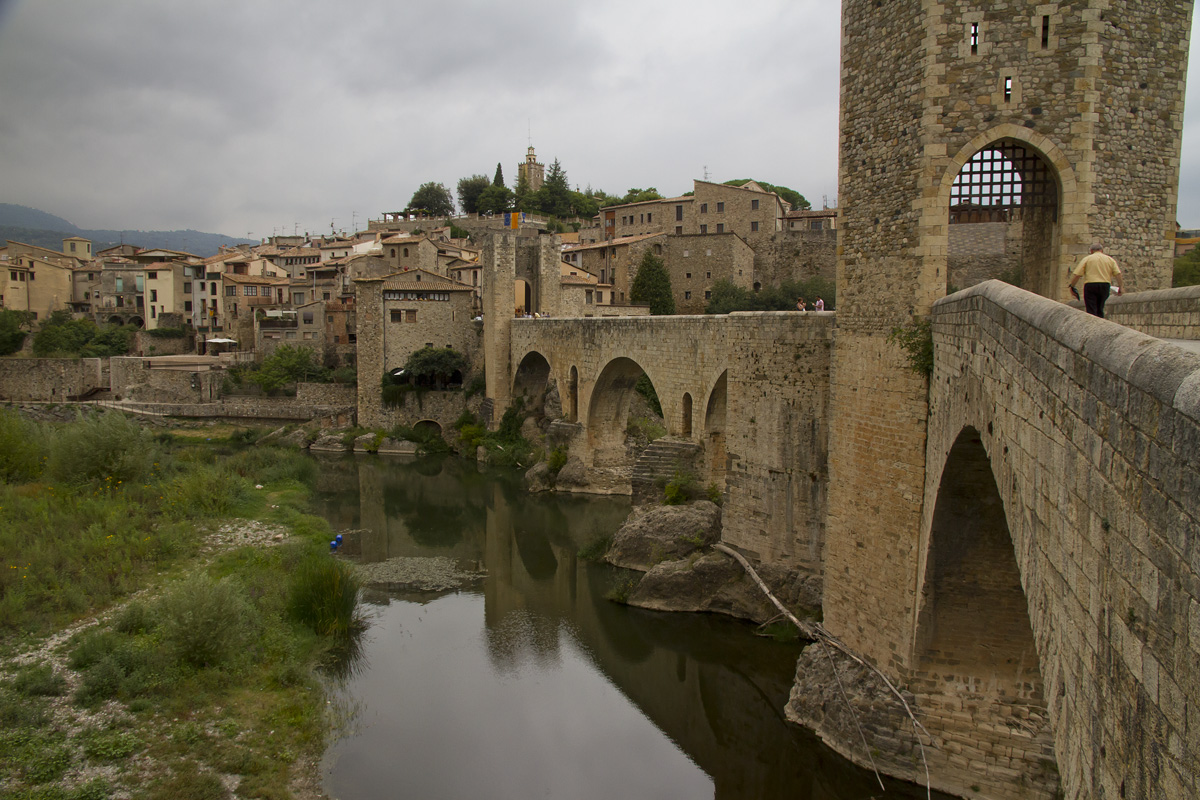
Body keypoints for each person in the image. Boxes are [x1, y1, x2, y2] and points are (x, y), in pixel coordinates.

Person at [1068, 243, 1124, 318]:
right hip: (1105, 285)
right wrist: (1121, 287)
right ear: (1102, 250)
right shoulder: (1110, 259)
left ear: (1091, 251)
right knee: (1100, 307)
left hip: (1091, 285)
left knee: (1091, 309)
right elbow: (1118, 274)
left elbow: (1077, 275)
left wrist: (1072, 286)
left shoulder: (1087, 259)